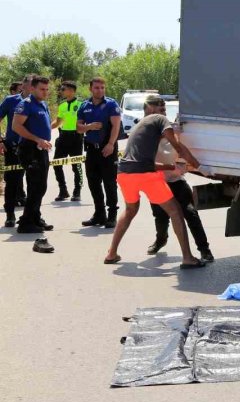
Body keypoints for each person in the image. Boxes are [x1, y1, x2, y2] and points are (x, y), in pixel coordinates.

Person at [103, 95, 205, 268]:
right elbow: (177, 146)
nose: (163, 111)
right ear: (149, 108)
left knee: (130, 210)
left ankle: (111, 254)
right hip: (145, 174)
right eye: (160, 107)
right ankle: (187, 257)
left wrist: (169, 166)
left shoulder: (139, 127)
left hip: (124, 174)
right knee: (175, 211)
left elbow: (143, 161)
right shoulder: (160, 120)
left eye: (164, 108)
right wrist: (197, 164)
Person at [147, 119, 214, 262]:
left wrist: (200, 167)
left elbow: (183, 151)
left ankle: (204, 249)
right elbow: (147, 164)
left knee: (190, 213)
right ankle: (161, 240)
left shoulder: (173, 135)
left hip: (177, 182)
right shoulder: (148, 137)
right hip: (158, 183)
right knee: (160, 216)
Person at [77, 77, 121, 228]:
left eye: (102, 87)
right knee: (93, 183)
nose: (100, 90)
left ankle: (112, 215)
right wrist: (89, 126)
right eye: (96, 87)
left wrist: (110, 144)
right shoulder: (84, 105)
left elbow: (116, 126)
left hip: (107, 149)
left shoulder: (111, 104)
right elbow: (79, 128)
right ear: (90, 89)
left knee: (109, 182)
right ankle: (99, 214)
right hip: (91, 149)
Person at [11, 76, 54, 234]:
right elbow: (16, 126)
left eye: (47, 89)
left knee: (40, 186)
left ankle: (35, 218)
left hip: (40, 149)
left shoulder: (42, 104)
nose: (45, 92)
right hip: (30, 149)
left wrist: (44, 141)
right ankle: (26, 223)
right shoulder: (26, 104)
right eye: (42, 89)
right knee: (35, 186)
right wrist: (37, 139)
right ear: (33, 89)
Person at [51, 80, 83, 201]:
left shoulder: (81, 104)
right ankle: (63, 190)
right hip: (63, 136)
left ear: (72, 90)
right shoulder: (62, 105)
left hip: (76, 137)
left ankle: (77, 191)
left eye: (64, 89)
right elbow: (58, 122)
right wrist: (45, 128)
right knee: (56, 164)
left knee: (76, 166)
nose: (62, 91)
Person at [0, 80, 26, 227]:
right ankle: (10, 215)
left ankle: (33, 216)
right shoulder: (11, 101)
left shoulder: (39, 101)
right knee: (12, 181)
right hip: (13, 146)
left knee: (37, 184)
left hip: (34, 148)